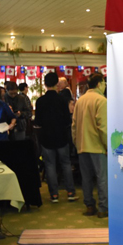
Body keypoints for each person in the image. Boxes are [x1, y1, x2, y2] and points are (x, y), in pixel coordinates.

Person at [35, 73, 79, 203]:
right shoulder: (62, 100)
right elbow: (67, 120)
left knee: (50, 165)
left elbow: (38, 121)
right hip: (61, 137)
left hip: (46, 138)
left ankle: (54, 195)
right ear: (57, 84)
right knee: (66, 164)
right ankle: (70, 193)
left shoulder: (40, 101)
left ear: (45, 84)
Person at [71, 73, 107, 217]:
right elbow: (103, 127)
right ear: (99, 84)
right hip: (97, 146)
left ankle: (90, 206)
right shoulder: (101, 100)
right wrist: (107, 146)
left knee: (86, 178)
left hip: (82, 145)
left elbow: (74, 125)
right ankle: (103, 208)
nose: (104, 86)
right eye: (104, 83)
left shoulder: (80, 100)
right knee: (102, 178)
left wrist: (76, 142)